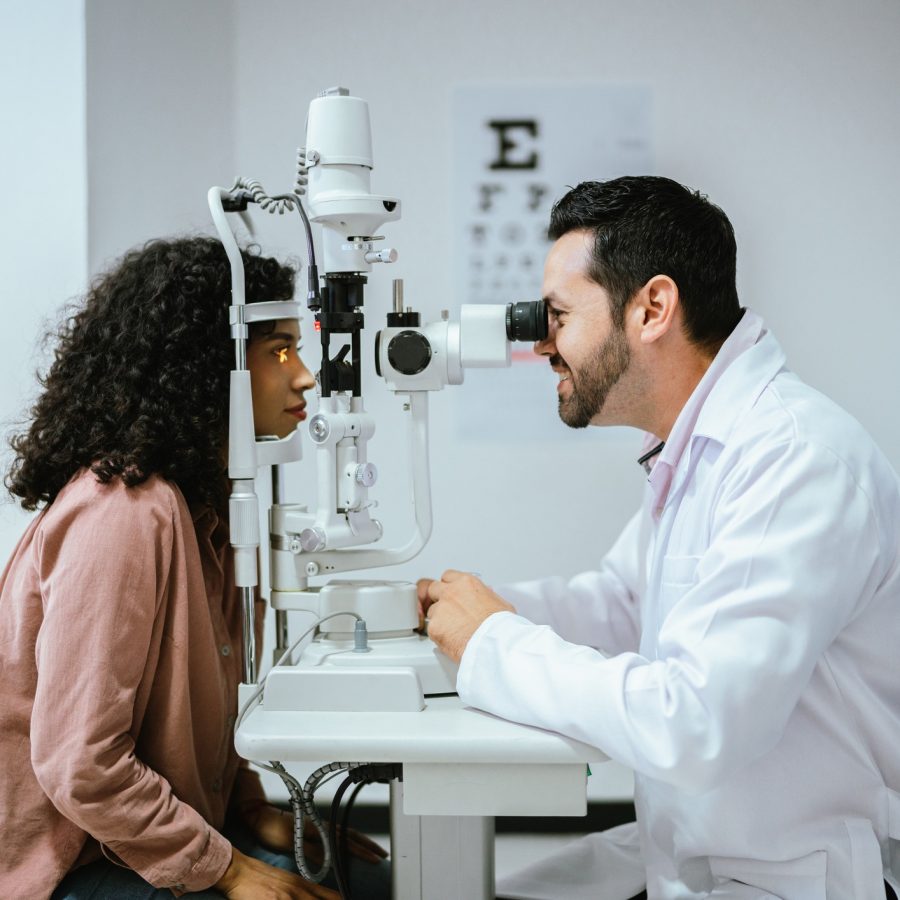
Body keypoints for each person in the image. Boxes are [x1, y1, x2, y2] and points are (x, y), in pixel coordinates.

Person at [420, 177, 900, 900]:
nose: (542, 343)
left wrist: (492, 642)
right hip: (700, 854)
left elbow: (694, 723)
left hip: (792, 876)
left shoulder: (796, 460)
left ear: (651, 308)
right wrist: (470, 615)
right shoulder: (703, 445)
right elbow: (622, 605)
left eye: (557, 315)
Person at [0, 237, 390, 899]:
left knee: (367, 877)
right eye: (279, 352)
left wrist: (248, 809)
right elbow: (82, 766)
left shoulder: (204, 509)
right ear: (213, 367)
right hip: (72, 860)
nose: (305, 377)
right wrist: (228, 868)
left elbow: (186, 717)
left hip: (144, 833)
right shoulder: (123, 516)